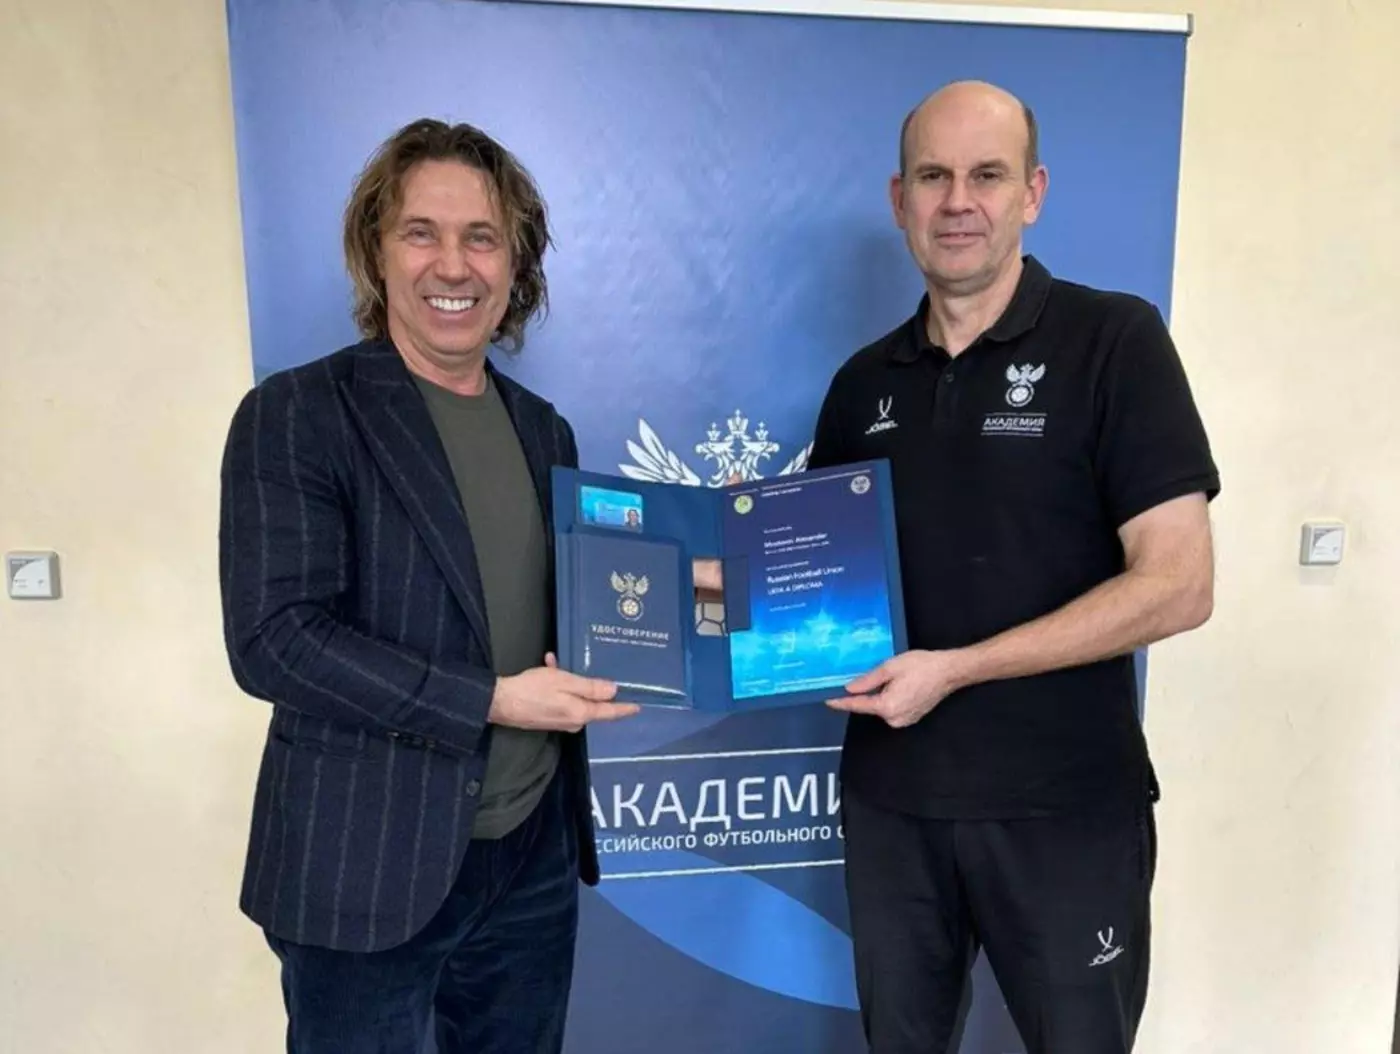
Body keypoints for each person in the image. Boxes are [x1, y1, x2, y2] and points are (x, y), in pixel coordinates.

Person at [810, 81, 1220, 1054]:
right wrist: (698, 581)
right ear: (898, 199)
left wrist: (957, 668)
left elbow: (1178, 583)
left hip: (1065, 808)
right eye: (932, 177)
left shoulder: (1114, 342)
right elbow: (813, 582)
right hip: (893, 805)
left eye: (986, 175)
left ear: (1031, 192)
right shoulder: (861, 383)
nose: (958, 201)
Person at [218, 118, 639, 1053]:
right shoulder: (296, 414)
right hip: (364, 865)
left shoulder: (545, 429)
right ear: (376, 250)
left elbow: (581, 602)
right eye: (422, 233)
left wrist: (697, 599)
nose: (453, 265)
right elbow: (274, 639)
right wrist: (492, 700)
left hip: (530, 856)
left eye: (481, 237)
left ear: (515, 264)